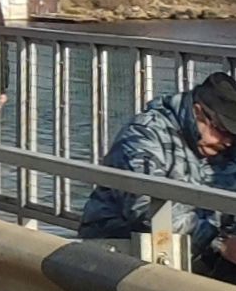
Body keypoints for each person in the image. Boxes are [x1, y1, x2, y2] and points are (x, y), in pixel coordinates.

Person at [78, 70, 236, 278]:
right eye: (223, 130)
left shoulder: (226, 147)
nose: (228, 141)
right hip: (121, 251)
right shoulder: (144, 135)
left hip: (196, 254)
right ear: (198, 113)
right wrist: (220, 242)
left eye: (233, 135)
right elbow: (144, 209)